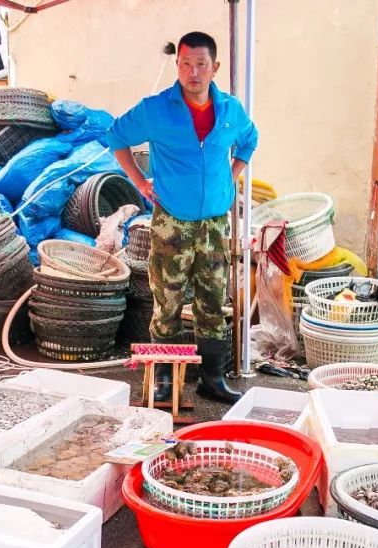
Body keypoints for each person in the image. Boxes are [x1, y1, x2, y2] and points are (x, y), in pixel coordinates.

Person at [106, 31, 258, 405]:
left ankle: (212, 380)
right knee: (168, 304)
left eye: (201, 64)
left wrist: (232, 175)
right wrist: (139, 181)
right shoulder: (156, 109)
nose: (193, 72)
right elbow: (116, 137)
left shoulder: (231, 110)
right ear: (178, 65)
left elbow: (250, 139)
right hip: (171, 222)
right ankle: (163, 385)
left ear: (214, 67)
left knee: (212, 303)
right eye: (186, 63)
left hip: (215, 225)